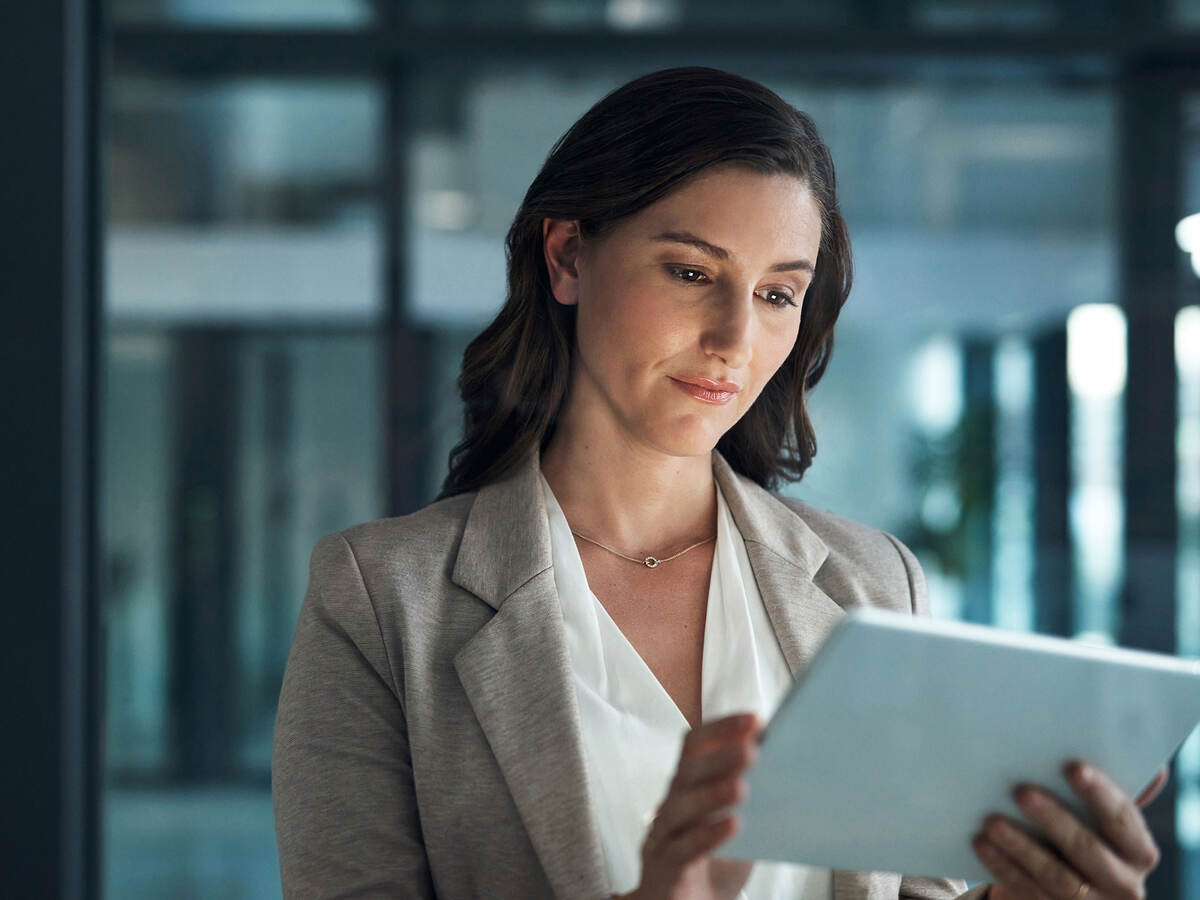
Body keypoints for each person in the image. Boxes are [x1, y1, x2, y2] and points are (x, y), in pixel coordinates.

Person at [272, 66, 1167, 900]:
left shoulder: (872, 582)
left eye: (779, 293)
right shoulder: (383, 601)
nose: (735, 339)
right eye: (693, 272)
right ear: (567, 258)